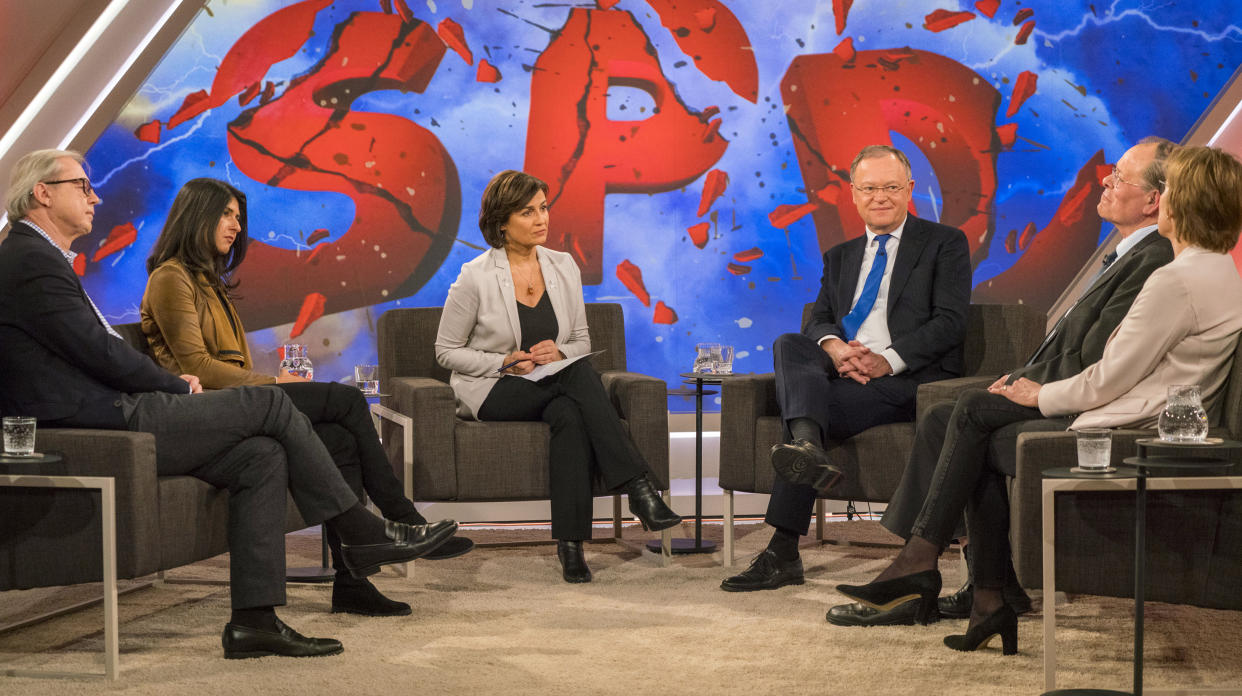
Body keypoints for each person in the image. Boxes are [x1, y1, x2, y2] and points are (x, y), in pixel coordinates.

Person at [0, 149, 459, 659]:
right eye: (83, 186)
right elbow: (100, 351)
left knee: (261, 455)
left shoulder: (43, 259)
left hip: (117, 409)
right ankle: (363, 528)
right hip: (105, 421)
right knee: (274, 407)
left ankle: (253, 621)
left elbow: (91, 349)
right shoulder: (29, 259)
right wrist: (176, 387)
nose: (95, 195)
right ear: (42, 192)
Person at [831, 145, 1242, 655]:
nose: (1160, 201)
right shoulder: (1215, 270)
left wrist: (1038, 393)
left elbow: (1105, 375)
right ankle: (981, 593)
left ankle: (931, 566)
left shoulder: (1175, 277)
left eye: (1167, 192)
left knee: (973, 416)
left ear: (1180, 202)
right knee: (970, 423)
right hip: (1135, 410)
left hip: (1128, 428)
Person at [139, 178, 473, 617]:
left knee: (340, 437)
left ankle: (352, 583)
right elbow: (198, 368)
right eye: (225, 215)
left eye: (239, 217)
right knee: (347, 401)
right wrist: (276, 386)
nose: (236, 226)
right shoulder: (170, 278)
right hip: (204, 411)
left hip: (237, 401)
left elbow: (231, 369)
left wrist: (269, 384)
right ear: (195, 215)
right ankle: (401, 517)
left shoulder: (209, 282)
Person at [720, 144, 972, 592]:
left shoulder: (944, 243)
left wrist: (885, 361)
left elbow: (950, 323)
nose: (880, 197)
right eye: (869, 188)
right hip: (842, 368)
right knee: (791, 343)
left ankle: (782, 548)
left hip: (906, 378)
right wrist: (836, 349)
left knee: (809, 409)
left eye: (891, 187)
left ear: (909, 190)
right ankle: (806, 446)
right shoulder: (840, 255)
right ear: (853, 194)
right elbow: (819, 319)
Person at [434, 169, 681, 583]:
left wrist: (561, 351)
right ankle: (638, 487)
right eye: (528, 212)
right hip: (495, 389)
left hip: (552, 384)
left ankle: (571, 546)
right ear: (501, 223)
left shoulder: (563, 266)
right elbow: (446, 352)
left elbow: (581, 339)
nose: (541, 219)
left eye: (544, 208)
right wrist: (503, 362)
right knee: (578, 378)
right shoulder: (474, 276)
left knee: (569, 409)